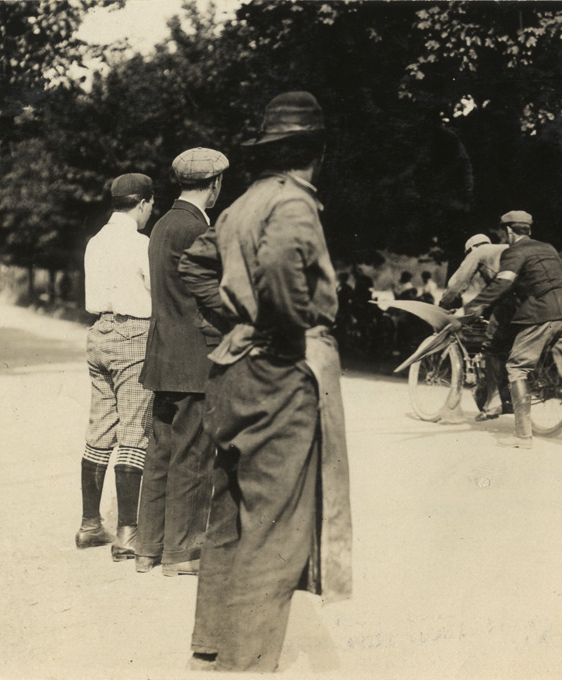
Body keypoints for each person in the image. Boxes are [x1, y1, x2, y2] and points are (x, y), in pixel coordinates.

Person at [178, 91, 352, 671]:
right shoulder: (294, 202)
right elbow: (279, 270)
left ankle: (211, 649)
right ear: (317, 151)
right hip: (280, 369)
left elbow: (194, 263)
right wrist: (280, 330)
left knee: (229, 514)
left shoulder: (243, 203)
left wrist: (236, 319)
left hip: (233, 370)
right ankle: (246, 665)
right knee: (276, 529)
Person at [454, 211, 562, 448]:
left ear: (508, 231)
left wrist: (469, 308)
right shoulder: (549, 248)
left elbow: (503, 283)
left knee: (516, 368)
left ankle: (522, 436)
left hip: (542, 314)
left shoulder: (514, 251)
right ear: (529, 229)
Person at [134, 148, 228, 576]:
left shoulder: (161, 225)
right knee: (194, 456)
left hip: (162, 357)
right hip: (195, 360)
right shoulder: (197, 229)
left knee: (161, 455)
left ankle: (148, 548)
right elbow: (214, 296)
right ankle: (183, 552)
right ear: (214, 185)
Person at [76, 173, 155, 561]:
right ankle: (127, 533)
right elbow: (156, 290)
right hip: (133, 334)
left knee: (99, 429)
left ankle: (90, 524)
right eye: (150, 205)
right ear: (142, 204)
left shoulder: (95, 241)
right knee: (134, 431)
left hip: (99, 333)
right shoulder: (140, 243)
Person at [440, 232, 514, 419]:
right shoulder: (506, 250)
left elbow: (456, 284)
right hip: (533, 301)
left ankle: (495, 400)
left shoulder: (479, 252)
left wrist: (445, 305)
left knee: (492, 346)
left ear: (471, 249)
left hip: (511, 303)